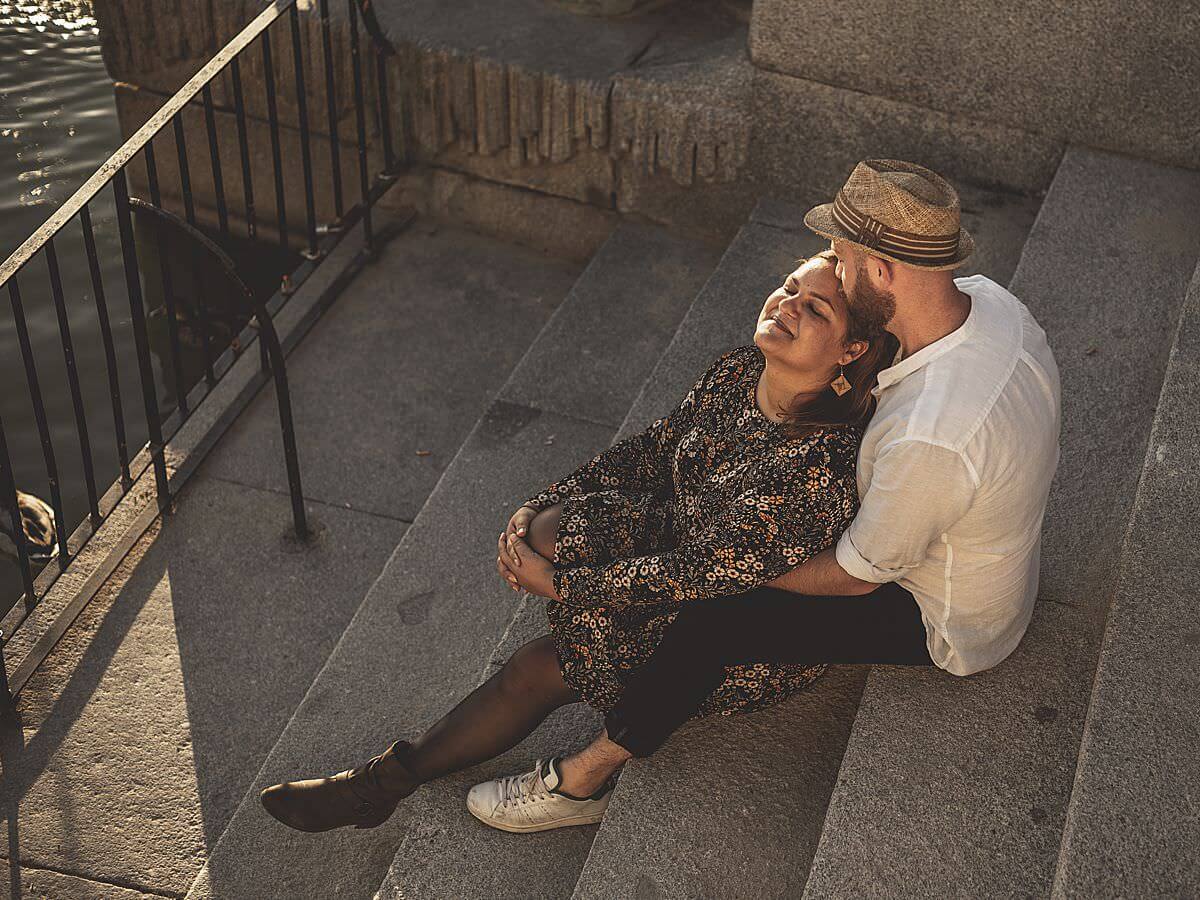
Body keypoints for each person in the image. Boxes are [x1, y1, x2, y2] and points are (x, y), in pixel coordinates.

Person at [476, 158, 1062, 816]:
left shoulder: (927, 437)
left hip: (942, 614)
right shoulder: (992, 304)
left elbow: (853, 578)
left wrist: (732, 566)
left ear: (883, 271)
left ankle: (585, 778)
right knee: (728, 528)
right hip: (984, 542)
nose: (831, 271)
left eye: (841, 261)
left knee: (721, 613)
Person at [258, 243, 899, 834]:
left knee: (536, 665)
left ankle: (378, 785)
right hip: (680, 549)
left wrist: (563, 584)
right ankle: (382, 782)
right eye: (790, 286)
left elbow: (701, 574)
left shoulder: (815, 465)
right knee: (551, 530)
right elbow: (652, 450)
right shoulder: (737, 372)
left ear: (850, 352)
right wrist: (546, 499)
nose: (786, 305)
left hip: (730, 628)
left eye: (814, 308)